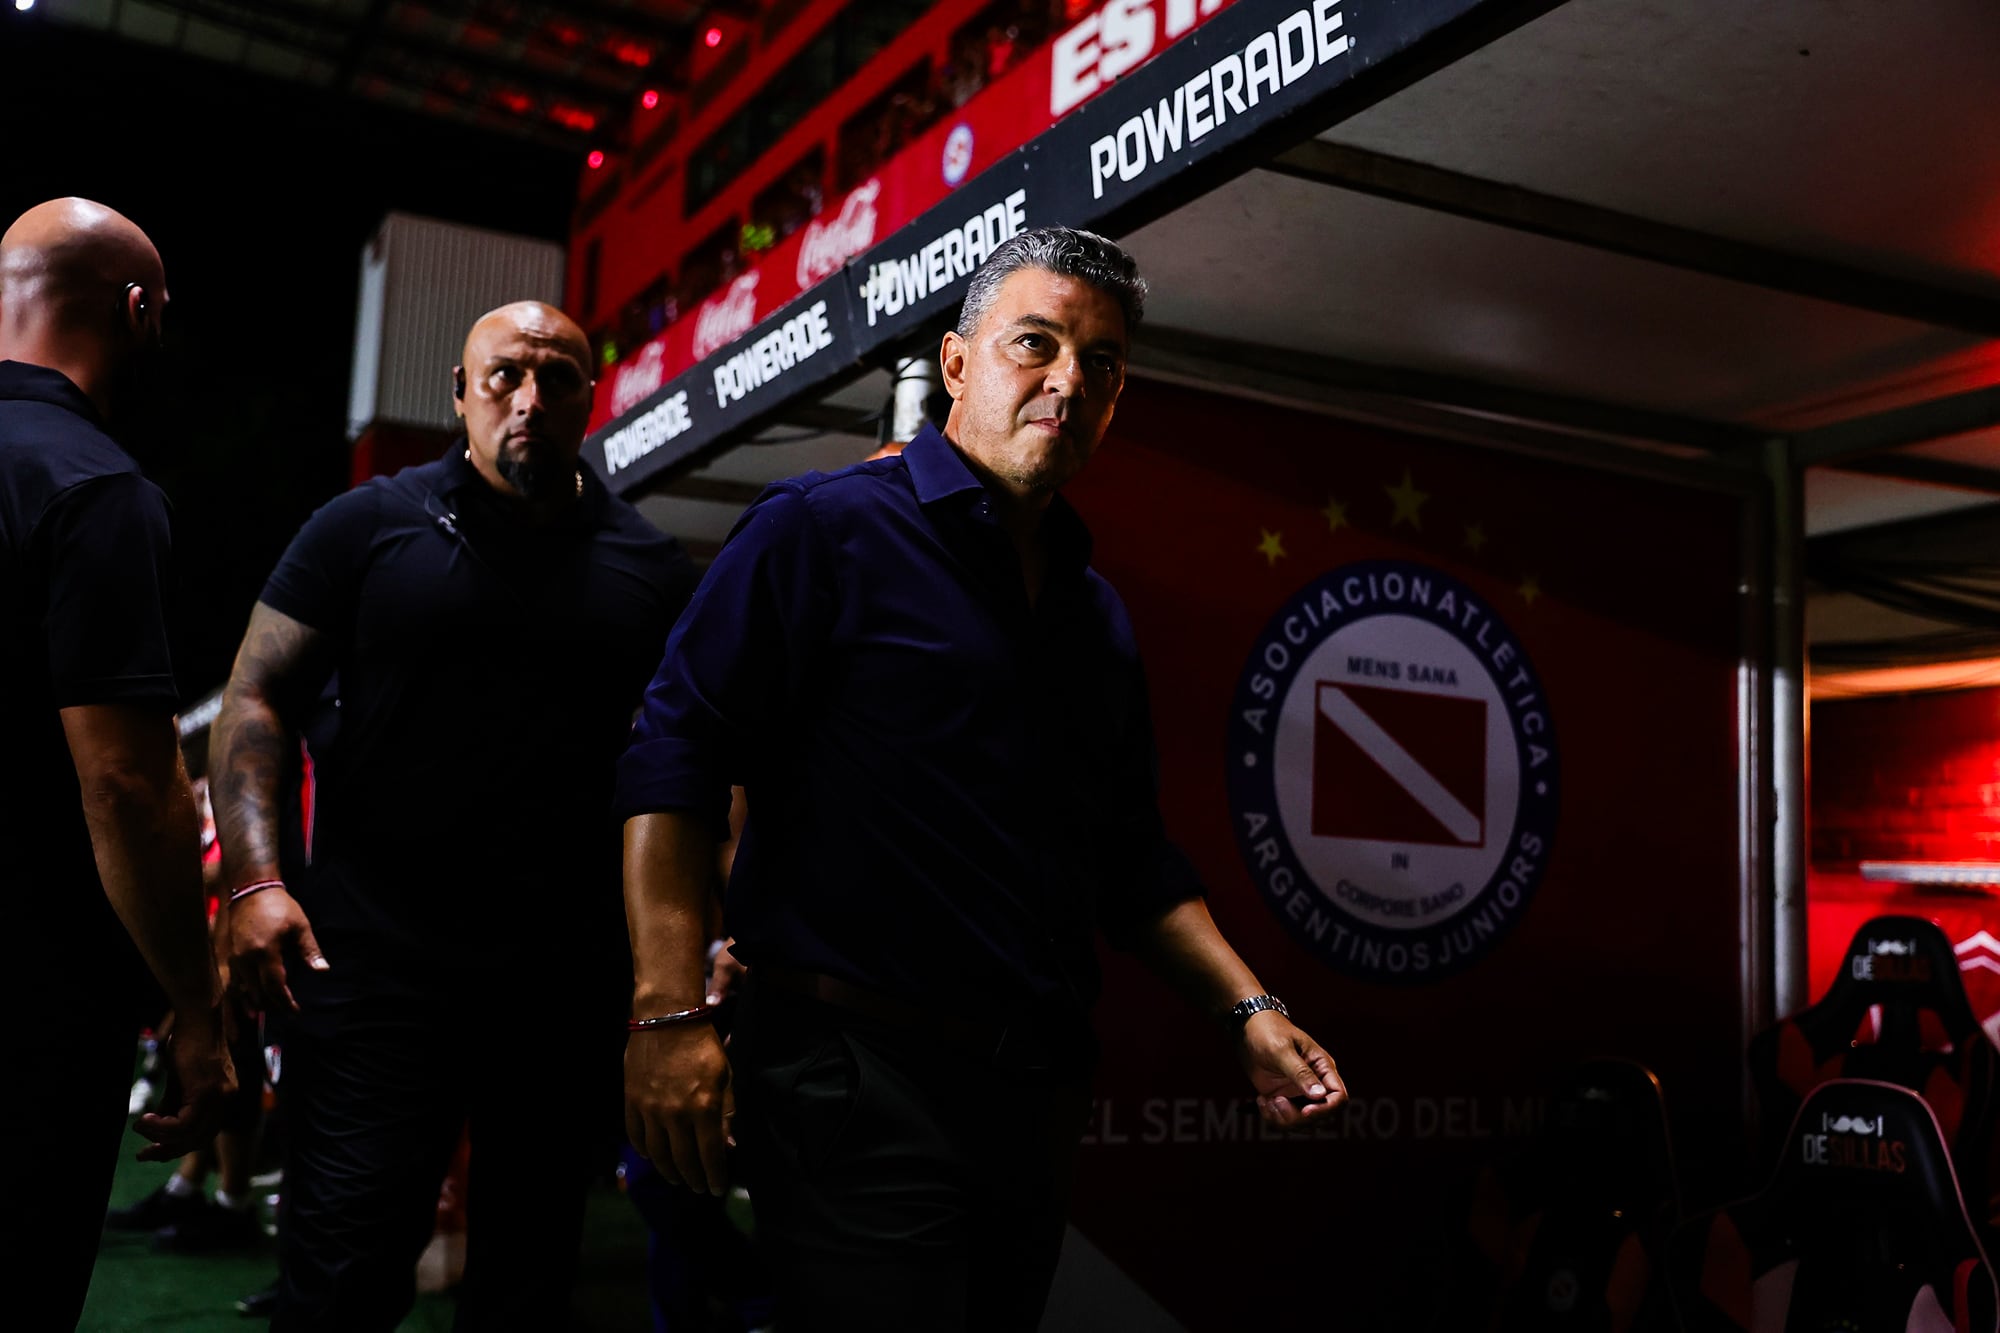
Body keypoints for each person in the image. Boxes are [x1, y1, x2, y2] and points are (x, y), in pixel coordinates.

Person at [618, 227, 1348, 1331]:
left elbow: (1127, 856)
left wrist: (1245, 1009)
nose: (1067, 380)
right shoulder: (820, 530)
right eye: (1036, 343)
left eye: (1099, 364)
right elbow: (672, 760)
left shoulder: (1089, 611)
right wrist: (667, 1012)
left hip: (1031, 1094)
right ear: (956, 366)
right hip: (850, 1078)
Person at [209, 300, 696, 1331]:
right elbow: (256, 693)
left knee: (526, 1286)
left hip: (559, 988)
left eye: (556, 378)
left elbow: (687, 770)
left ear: (587, 398)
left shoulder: (649, 568)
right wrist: (256, 879)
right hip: (376, 970)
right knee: (340, 1279)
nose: (529, 398)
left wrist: (693, 953)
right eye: (504, 376)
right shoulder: (365, 527)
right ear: (460, 395)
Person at [0, 196, 233, 1327]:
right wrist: (194, 1009)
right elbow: (127, 782)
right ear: (139, 312)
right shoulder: (94, 489)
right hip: (31, 996)